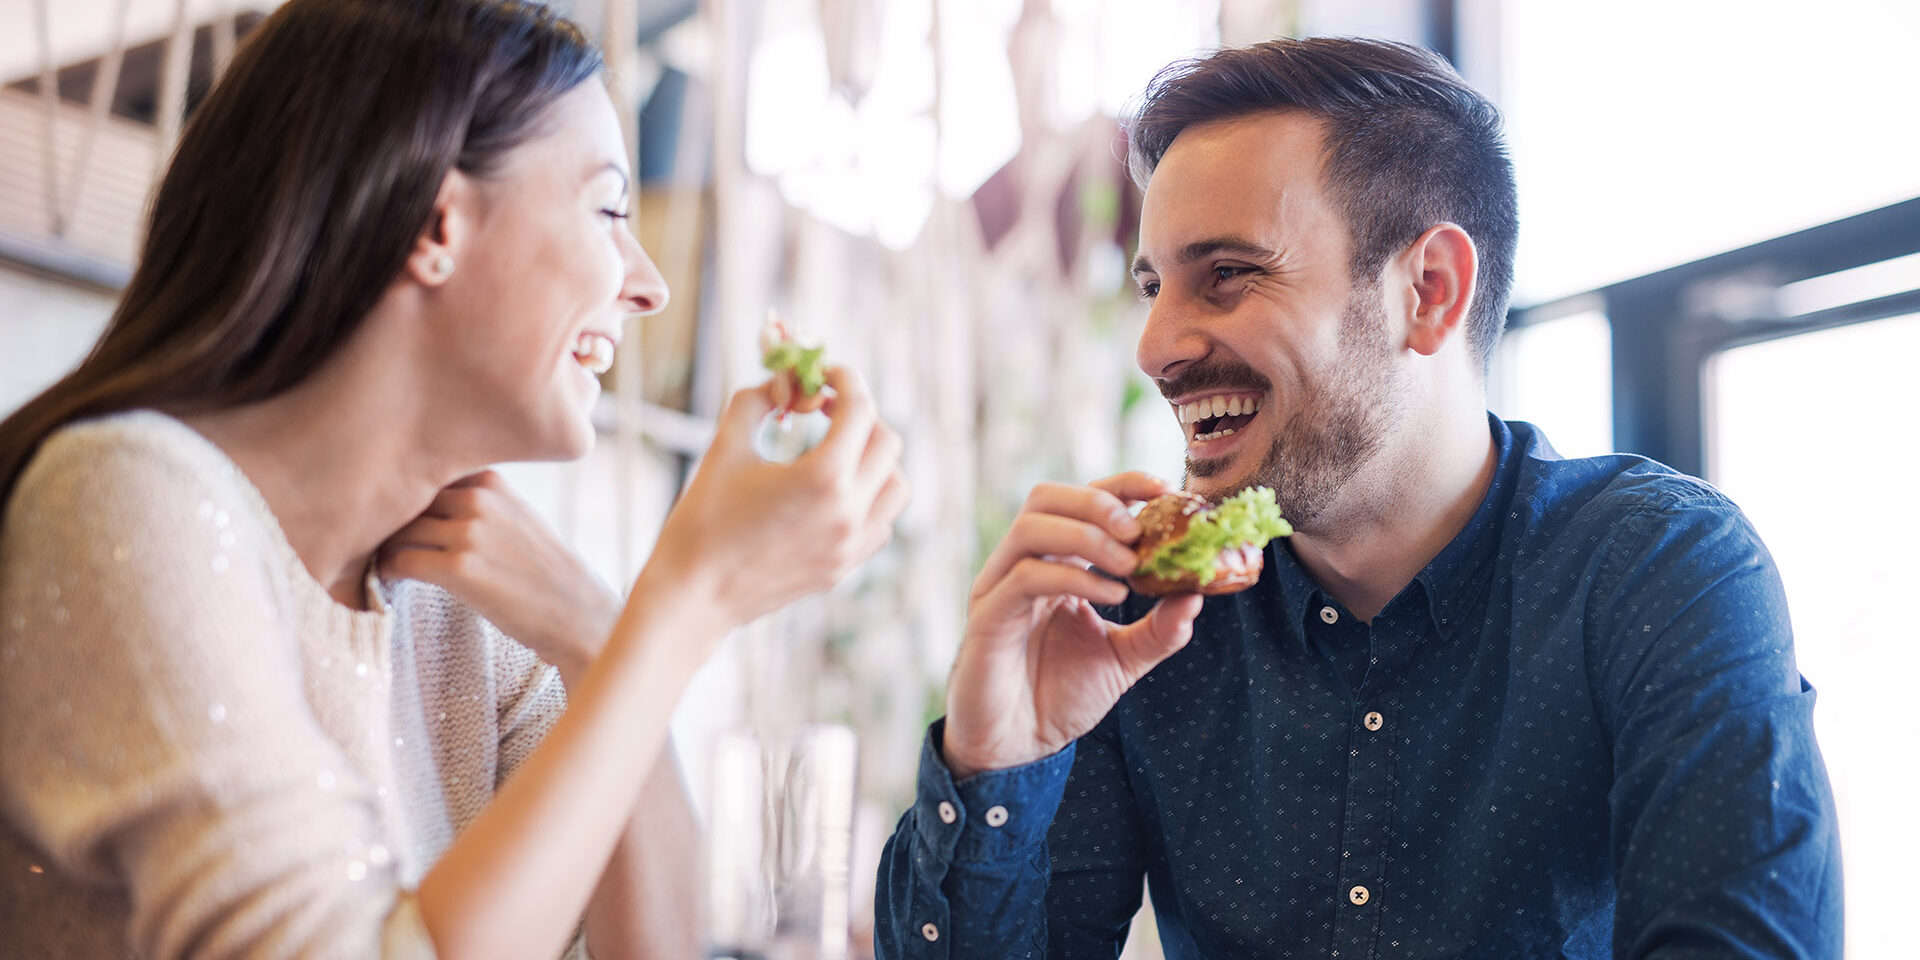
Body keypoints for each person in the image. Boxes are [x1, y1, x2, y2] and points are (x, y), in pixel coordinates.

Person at [874, 37, 1840, 959]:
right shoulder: (1131, 620)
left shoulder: (1659, 572)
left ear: (1429, 290)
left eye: (1227, 276)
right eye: (1152, 287)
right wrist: (993, 760)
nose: (1156, 347)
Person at [0, 1, 907, 958]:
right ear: (435, 221)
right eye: (607, 209)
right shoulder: (121, 502)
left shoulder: (454, 614)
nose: (650, 285)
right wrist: (686, 605)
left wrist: (604, 642)